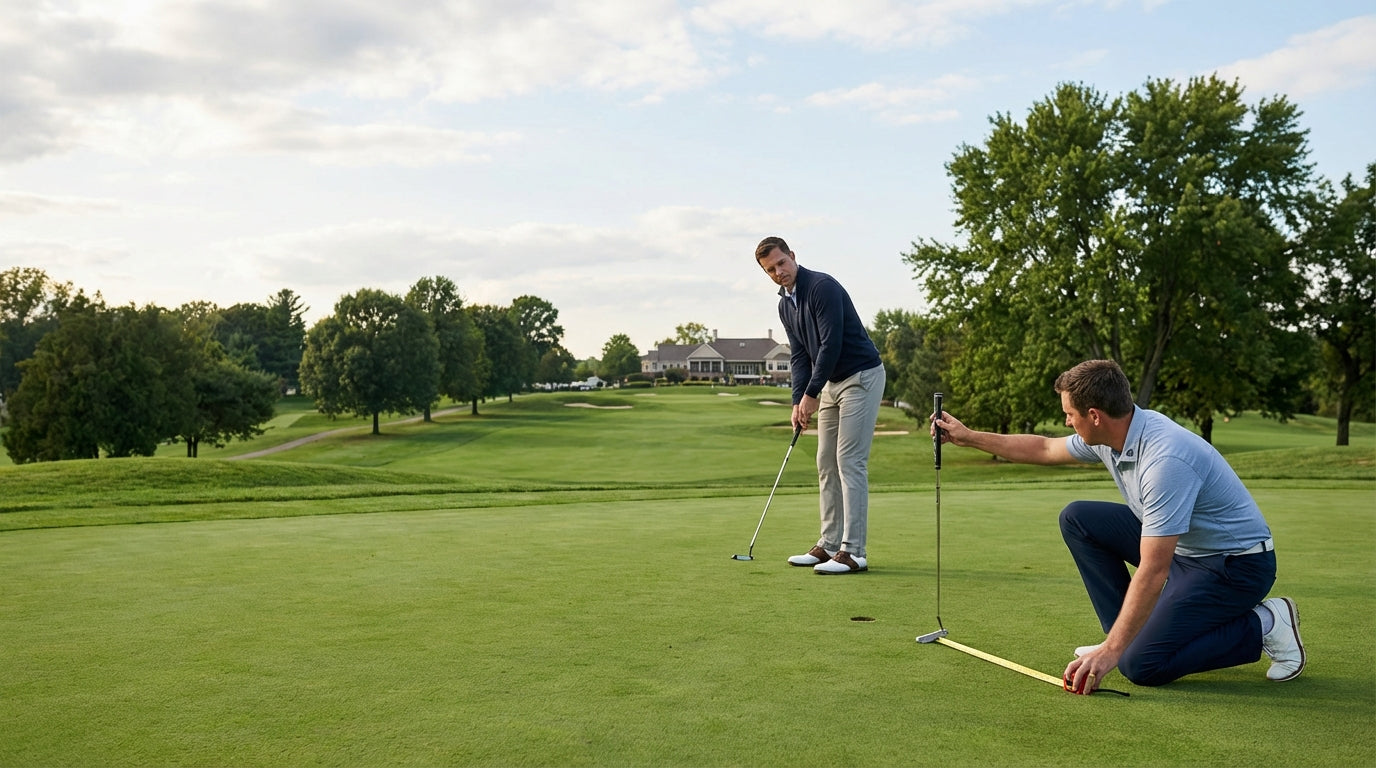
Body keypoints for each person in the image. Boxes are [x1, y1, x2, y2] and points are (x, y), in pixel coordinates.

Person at [932, 359, 1305, 692]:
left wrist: (1112, 654)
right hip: (1187, 552)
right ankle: (1122, 636)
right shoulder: (1113, 434)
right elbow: (1044, 449)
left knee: (1141, 665)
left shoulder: (1165, 460)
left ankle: (1268, 623)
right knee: (1078, 518)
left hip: (1234, 567)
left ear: (1094, 415)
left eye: (1070, 415)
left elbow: (1154, 569)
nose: (1066, 422)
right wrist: (968, 437)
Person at [755, 236, 886, 574]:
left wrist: (812, 393)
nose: (778, 272)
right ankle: (829, 545)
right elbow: (800, 356)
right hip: (830, 382)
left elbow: (829, 345)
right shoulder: (786, 305)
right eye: (770, 269)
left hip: (861, 376)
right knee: (825, 460)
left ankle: (854, 552)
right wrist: (798, 400)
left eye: (781, 263)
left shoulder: (821, 287)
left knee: (849, 459)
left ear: (792, 256)